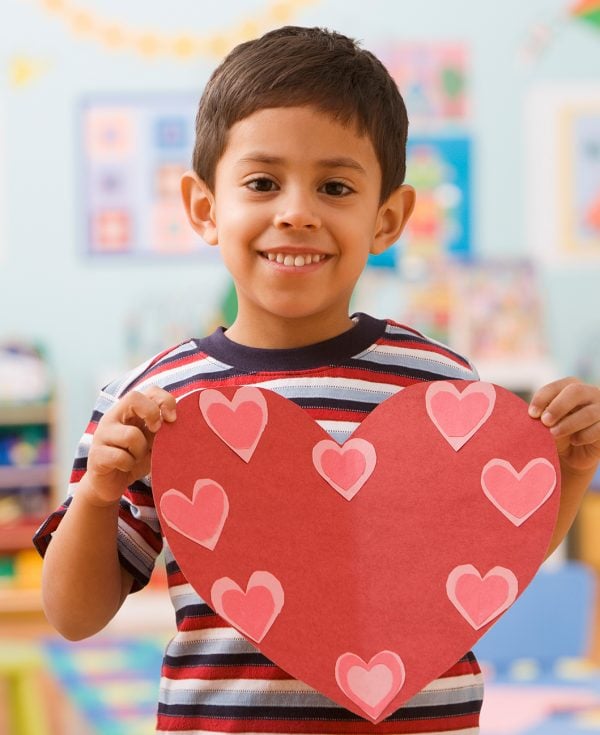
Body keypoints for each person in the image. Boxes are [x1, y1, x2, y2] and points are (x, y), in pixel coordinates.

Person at [34, 25, 600, 735]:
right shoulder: (154, 401)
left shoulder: (442, 388)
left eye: (334, 186)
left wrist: (572, 470)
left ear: (387, 218)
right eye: (263, 182)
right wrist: (100, 491)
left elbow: (485, 555)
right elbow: (73, 612)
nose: (296, 211)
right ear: (205, 207)